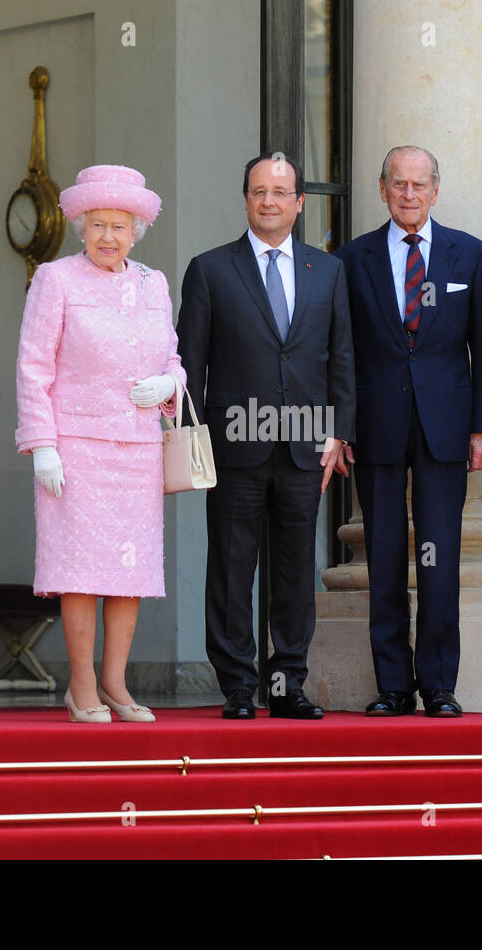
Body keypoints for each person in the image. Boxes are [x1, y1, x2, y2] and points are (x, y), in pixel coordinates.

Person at [177, 153, 355, 720]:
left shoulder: (327, 271)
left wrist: (338, 433)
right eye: (259, 191)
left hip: (305, 445)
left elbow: (342, 359)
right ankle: (236, 685)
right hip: (234, 444)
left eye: (281, 192)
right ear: (246, 199)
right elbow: (189, 366)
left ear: (300, 203)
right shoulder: (209, 270)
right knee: (232, 568)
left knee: (294, 570)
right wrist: (195, 440)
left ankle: (287, 685)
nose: (270, 201)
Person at [336, 145, 482, 718]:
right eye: (398, 184)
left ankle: (438, 684)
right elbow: (344, 352)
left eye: (419, 184)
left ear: (436, 189)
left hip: (446, 428)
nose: (409, 194)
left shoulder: (471, 255)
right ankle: (391, 686)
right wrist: (341, 425)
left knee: (439, 556)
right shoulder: (350, 260)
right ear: (382, 190)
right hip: (375, 427)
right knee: (383, 557)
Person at [15, 164, 183, 724]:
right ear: (81, 227)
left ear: (137, 229)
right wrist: (42, 445)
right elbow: (33, 366)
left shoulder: (153, 284)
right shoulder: (56, 280)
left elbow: (172, 357)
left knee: (128, 573)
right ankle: (81, 682)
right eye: (98, 225)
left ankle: (115, 681)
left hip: (137, 450)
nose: (109, 236)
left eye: (120, 225)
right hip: (76, 450)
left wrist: (170, 384)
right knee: (81, 570)